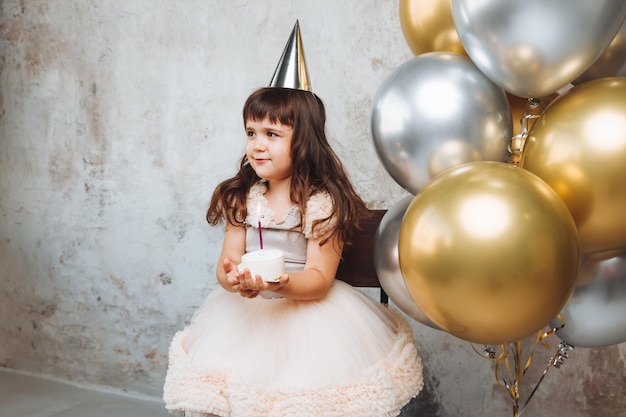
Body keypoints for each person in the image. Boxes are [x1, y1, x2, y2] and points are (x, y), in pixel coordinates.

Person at [163, 22, 423, 417]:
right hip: (246, 318)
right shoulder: (242, 198)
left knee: (300, 398)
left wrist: (282, 284)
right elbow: (227, 261)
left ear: (302, 140)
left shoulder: (321, 203)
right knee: (227, 392)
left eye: (271, 133)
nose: (257, 144)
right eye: (251, 133)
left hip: (308, 315)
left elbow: (319, 279)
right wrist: (234, 280)